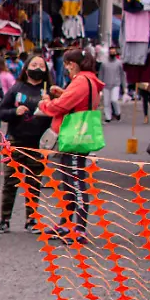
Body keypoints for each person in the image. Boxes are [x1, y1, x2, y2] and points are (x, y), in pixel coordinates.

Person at [40, 47, 104, 244]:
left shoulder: (81, 81)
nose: (66, 69)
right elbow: (78, 101)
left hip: (74, 137)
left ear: (73, 64)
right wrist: (63, 92)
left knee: (76, 182)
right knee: (69, 181)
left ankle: (78, 229)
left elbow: (60, 106)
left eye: (67, 65)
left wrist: (45, 103)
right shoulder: (90, 80)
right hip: (79, 134)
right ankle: (66, 223)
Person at [0, 53, 52, 234]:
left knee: (34, 183)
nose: (37, 68)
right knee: (10, 181)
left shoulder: (48, 90)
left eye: (41, 66)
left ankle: (32, 219)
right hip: (15, 140)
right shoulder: (16, 88)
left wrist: (50, 106)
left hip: (39, 143)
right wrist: (15, 111)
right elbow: (2, 112)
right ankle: (4, 219)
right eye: (34, 64)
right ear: (26, 68)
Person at [101, 44, 125, 122]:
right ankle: (108, 117)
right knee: (106, 102)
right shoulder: (104, 63)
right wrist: (99, 86)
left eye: (113, 50)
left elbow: (122, 75)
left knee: (114, 100)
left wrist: (124, 86)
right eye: (111, 50)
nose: (112, 52)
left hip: (116, 84)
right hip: (106, 85)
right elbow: (101, 75)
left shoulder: (119, 63)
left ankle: (117, 113)